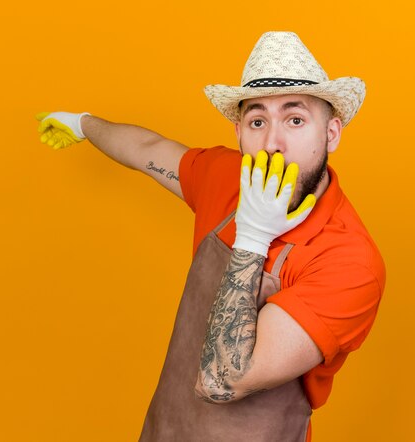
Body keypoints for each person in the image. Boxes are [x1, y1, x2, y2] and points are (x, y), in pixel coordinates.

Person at [35, 32, 385, 442]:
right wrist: (82, 123)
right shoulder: (224, 177)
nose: (272, 143)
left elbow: (223, 380)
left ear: (331, 134)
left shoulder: (350, 262)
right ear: (239, 132)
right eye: (258, 121)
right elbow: (148, 149)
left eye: (295, 119)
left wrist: (252, 236)